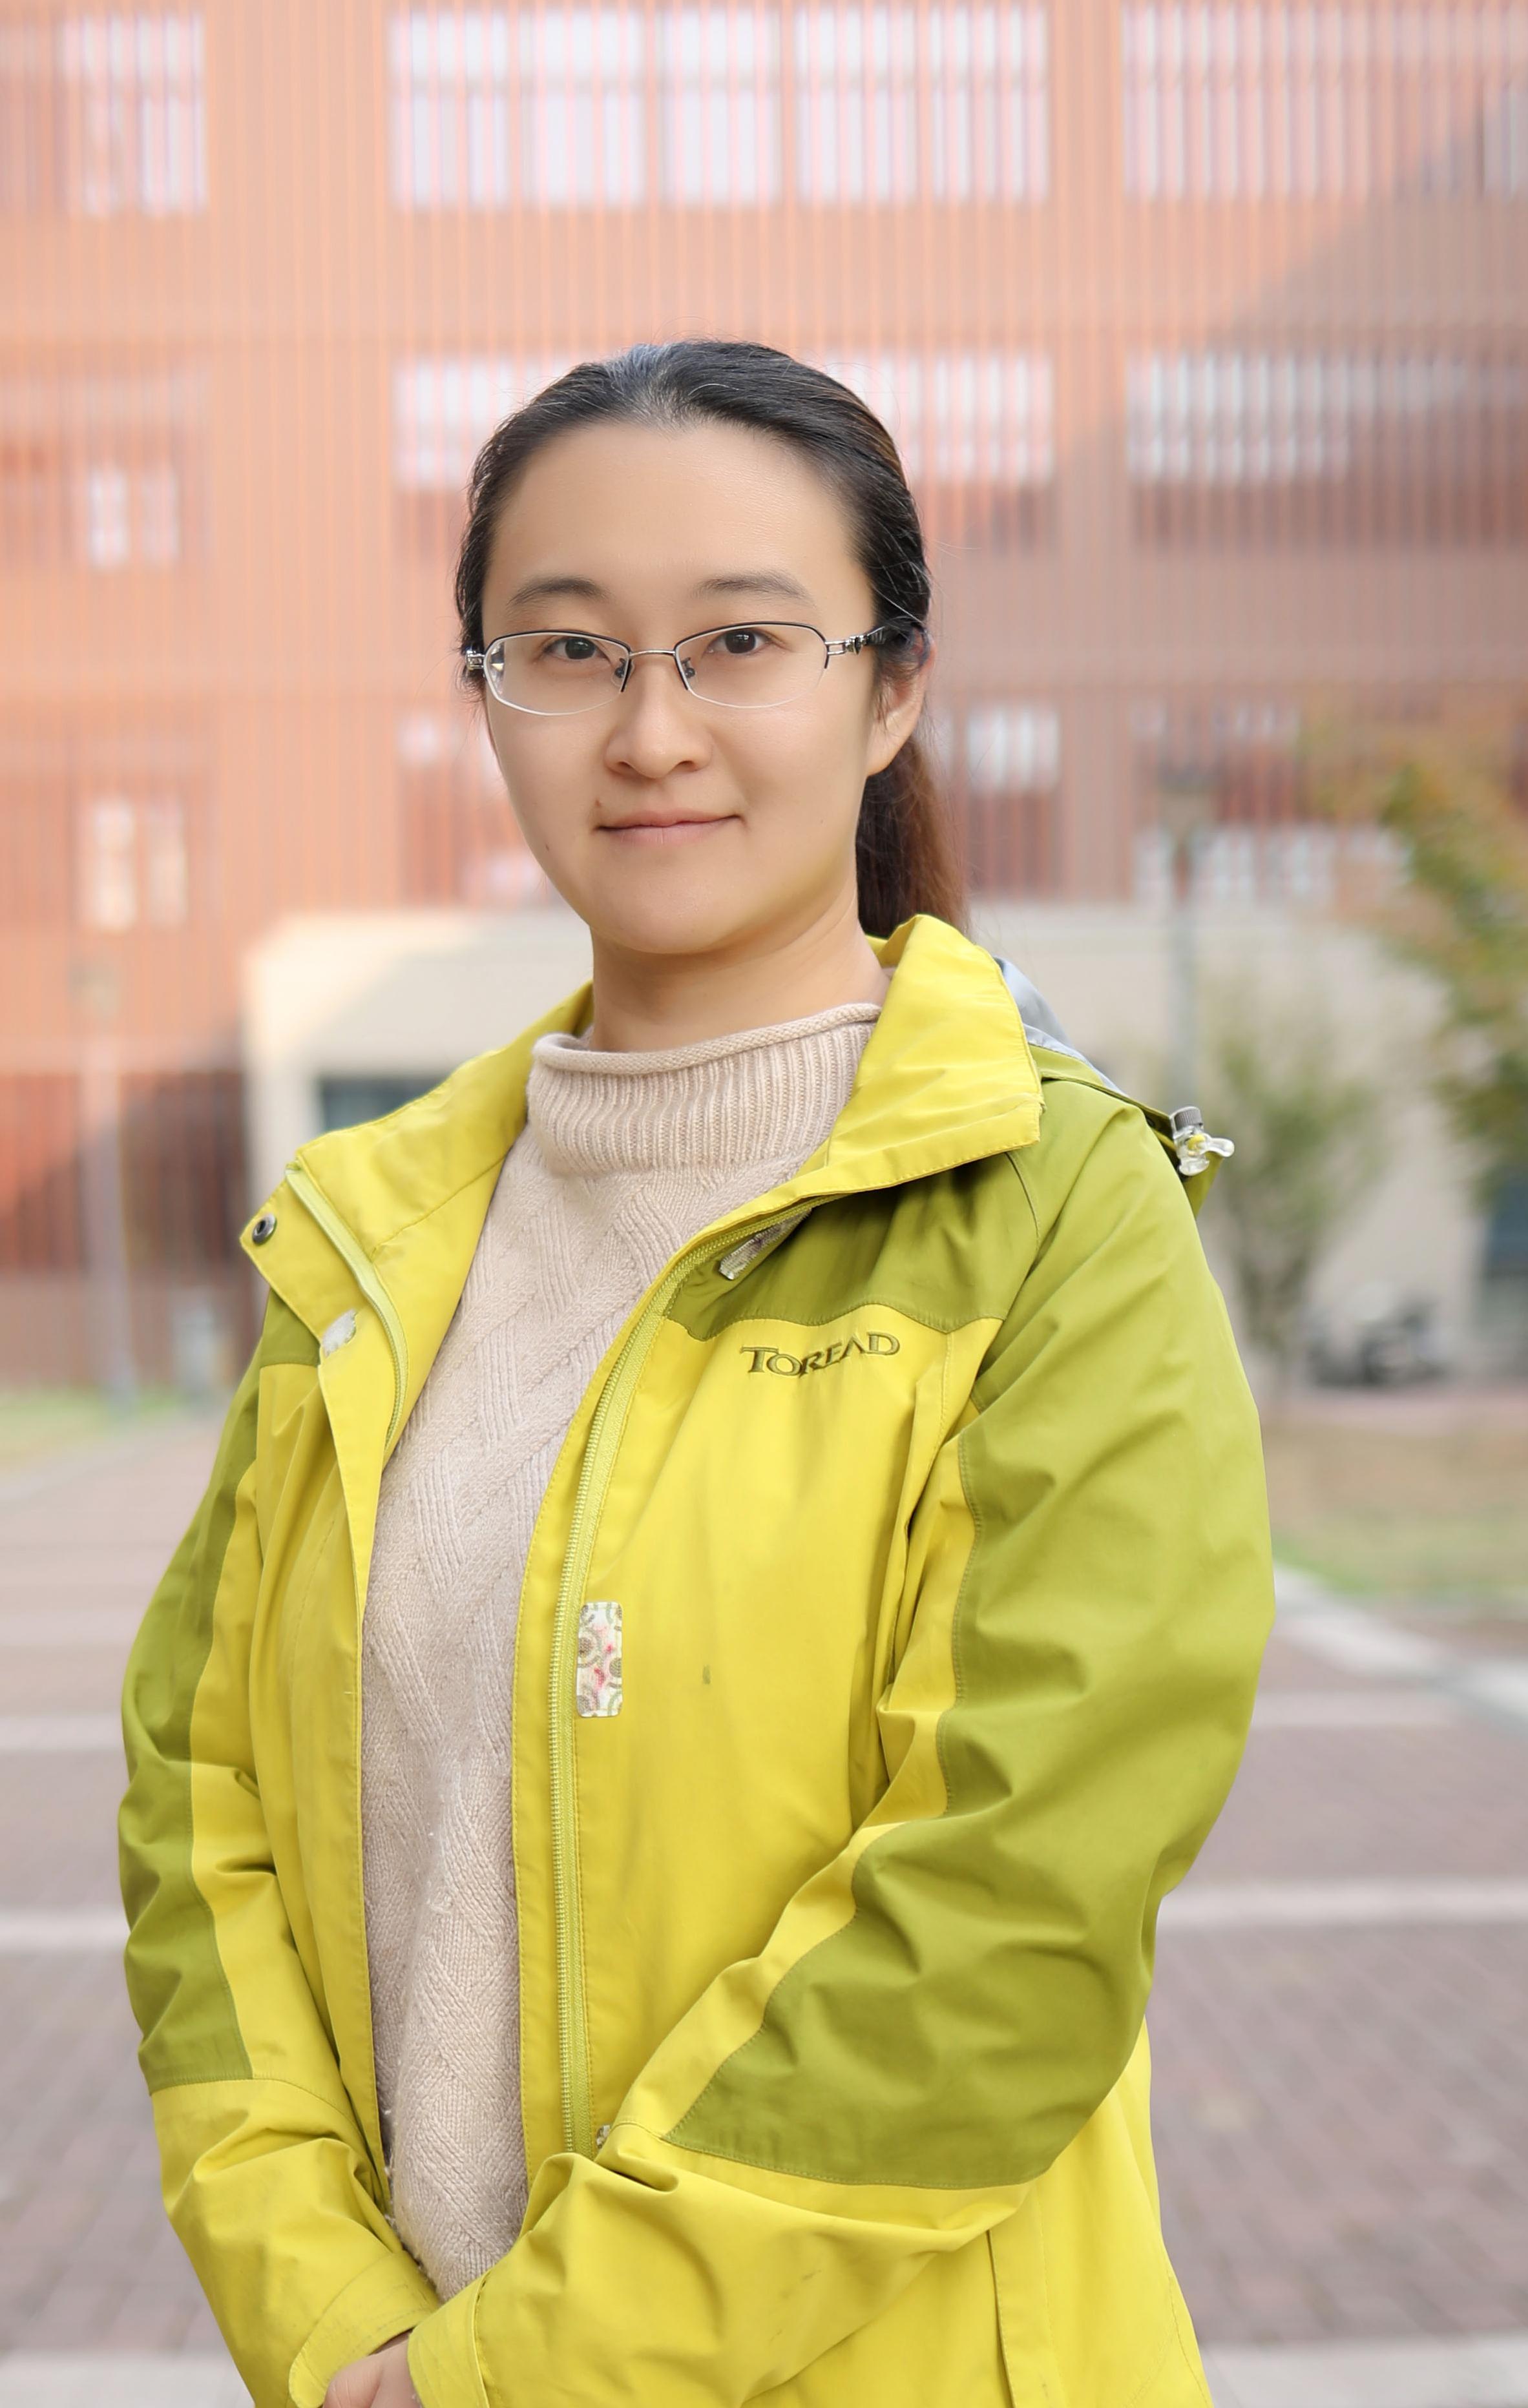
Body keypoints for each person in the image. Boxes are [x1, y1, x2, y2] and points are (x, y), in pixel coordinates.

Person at [119, 338, 1274, 2408]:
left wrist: (514, 2374)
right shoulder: (367, 1249)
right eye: (569, 650)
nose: (650, 730)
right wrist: (334, 2330)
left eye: (741, 640)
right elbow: (203, 1832)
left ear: (891, 691)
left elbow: (1006, 1919)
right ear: (487, 694)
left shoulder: (1056, 1211)